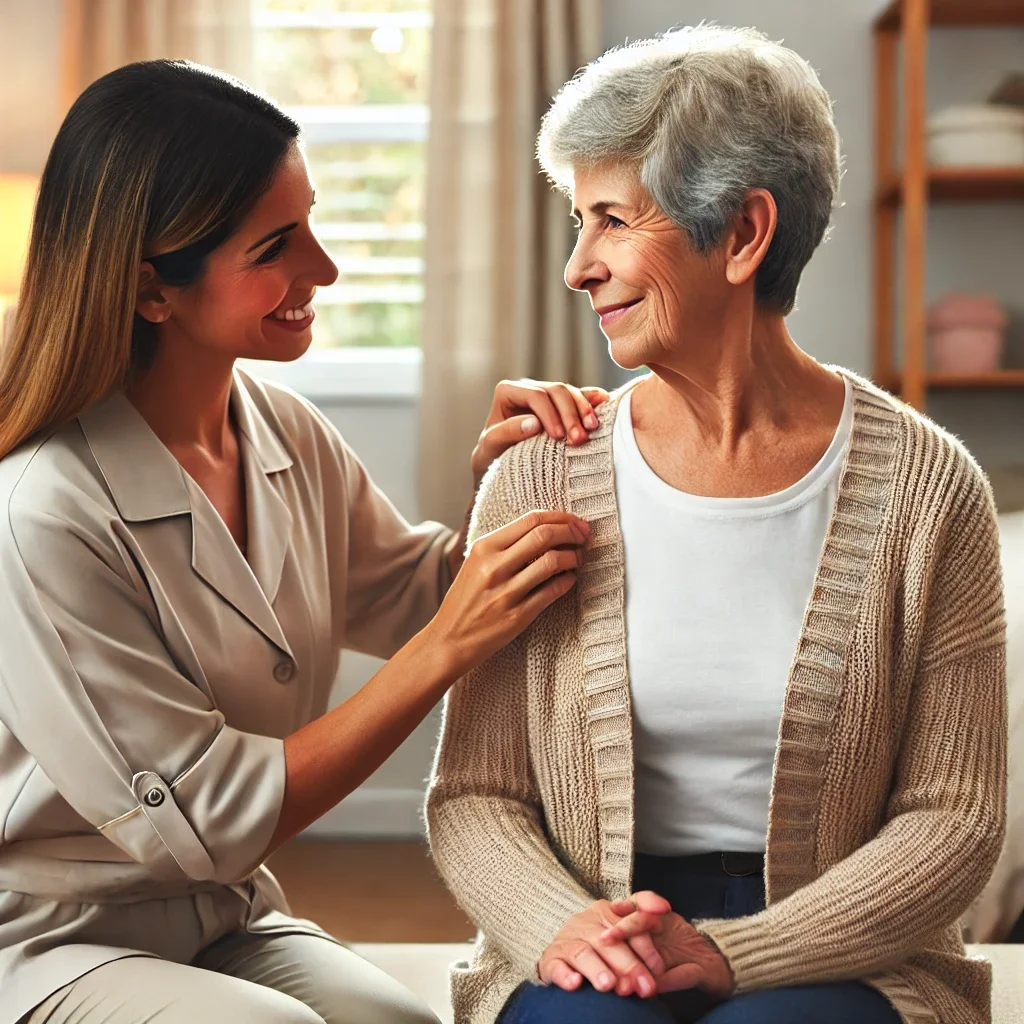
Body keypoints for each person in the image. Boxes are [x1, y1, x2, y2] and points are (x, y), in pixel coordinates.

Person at [0, 60, 607, 1024]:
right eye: (275, 247)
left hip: (221, 913)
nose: (324, 267)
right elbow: (205, 820)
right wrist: (445, 649)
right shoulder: (41, 513)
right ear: (153, 289)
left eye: (314, 222)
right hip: (51, 939)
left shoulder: (278, 430)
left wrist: (510, 483)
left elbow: (418, 589)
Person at [427, 24, 1007, 1024]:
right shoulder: (535, 476)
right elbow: (475, 792)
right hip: (590, 924)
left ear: (741, 234)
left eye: (611, 219)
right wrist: (560, 926)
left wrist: (737, 952)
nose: (578, 266)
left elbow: (953, 816)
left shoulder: (930, 489)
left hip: (843, 943)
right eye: (579, 221)